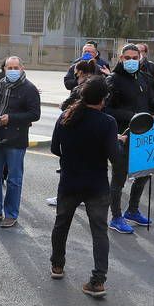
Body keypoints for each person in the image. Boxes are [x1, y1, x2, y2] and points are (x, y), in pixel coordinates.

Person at [50, 76, 119, 297]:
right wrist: (117, 142)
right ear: (103, 99)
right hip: (96, 185)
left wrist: (70, 157)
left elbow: (54, 148)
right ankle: (98, 281)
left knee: (61, 224)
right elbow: (114, 156)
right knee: (99, 232)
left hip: (70, 180)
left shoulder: (65, 117)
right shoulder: (107, 122)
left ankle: (57, 265)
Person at [105, 43, 154, 235]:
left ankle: (132, 211)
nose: (132, 61)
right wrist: (133, 115)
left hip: (145, 135)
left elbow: (151, 100)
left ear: (141, 57)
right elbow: (108, 109)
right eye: (128, 58)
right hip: (123, 135)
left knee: (144, 174)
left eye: (135, 57)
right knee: (119, 179)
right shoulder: (113, 80)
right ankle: (116, 217)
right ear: (120, 58)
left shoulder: (145, 77)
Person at [0, 56, 41, 228]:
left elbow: (35, 114)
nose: (12, 70)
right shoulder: (1, 84)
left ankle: (11, 214)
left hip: (16, 139)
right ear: (4, 69)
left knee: (14, 179)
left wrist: (11, 118)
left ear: (22, 68)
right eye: (9, 67)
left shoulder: (29, 89)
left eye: (15, 67)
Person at [46, 58, 100, 208]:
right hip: (91, 133)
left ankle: (63, 197)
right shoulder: (97, 84)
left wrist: (62, 105)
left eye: (76, 72)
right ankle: (84, 195)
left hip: (75, 131)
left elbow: (66, 105)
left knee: (68, 170)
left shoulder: (80, 88)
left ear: (80, 72)